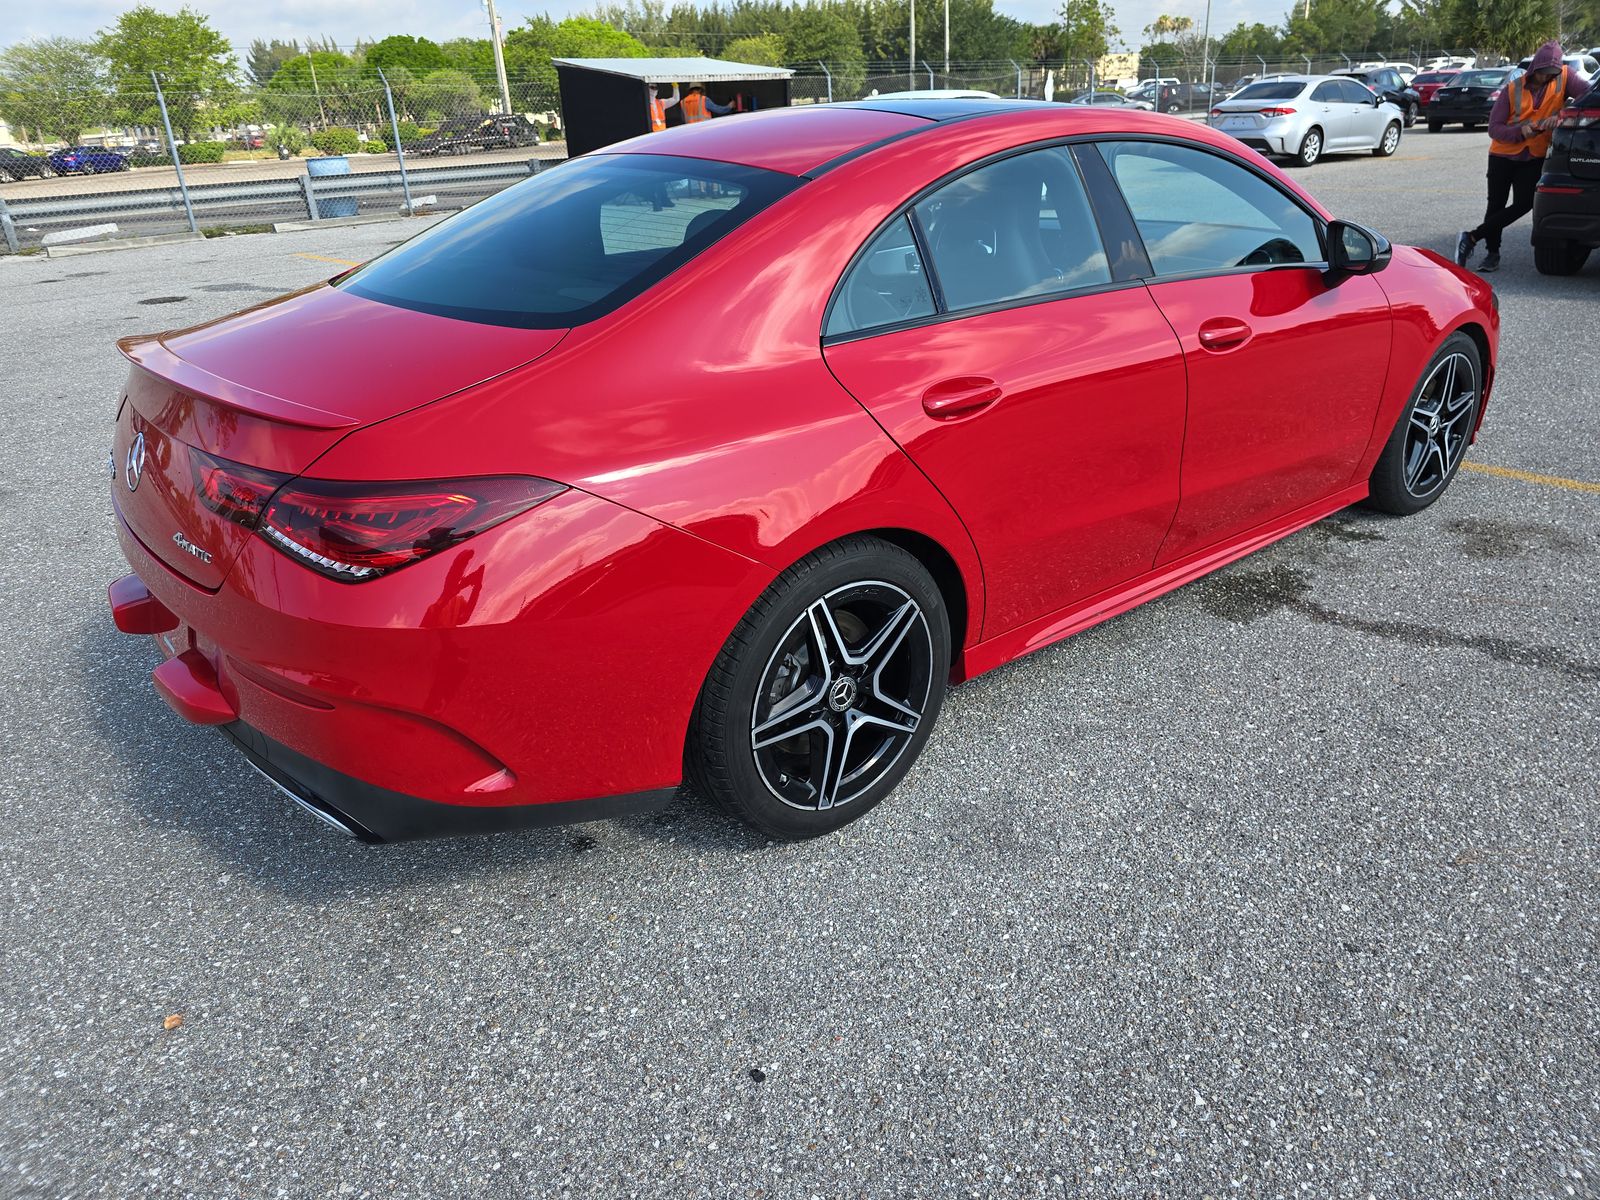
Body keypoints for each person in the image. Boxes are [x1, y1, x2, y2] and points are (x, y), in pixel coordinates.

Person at [1456, 41, 1591, 272]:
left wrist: (1562, 114)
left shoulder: (1566, 77)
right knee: (1496, 204)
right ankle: (1492, 254)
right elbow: (1494, 128)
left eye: (1552, 73)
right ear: (1535, 68)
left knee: (1525, 204)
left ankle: (1471, 238)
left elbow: (1588, 97)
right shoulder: (1513, 88)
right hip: (1503, 154)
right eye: (1543, 73)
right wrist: (1521, 132)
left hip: (1534, 155)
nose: (1547, 78)